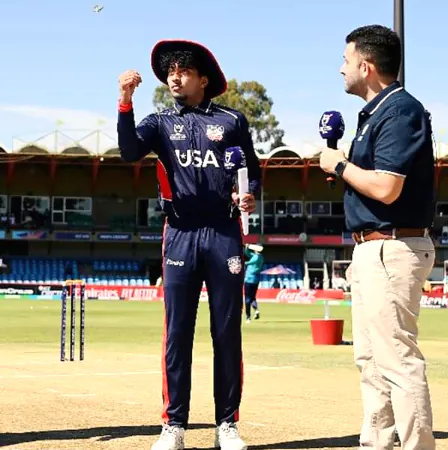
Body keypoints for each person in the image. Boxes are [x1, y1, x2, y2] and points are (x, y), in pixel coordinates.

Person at [117, 39, 261, 450]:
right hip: (179, 232)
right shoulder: (159, 122)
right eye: (170, 71)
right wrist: (125, 102)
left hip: (223, 232)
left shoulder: (232, 121)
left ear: (202, 79)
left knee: (226, 332)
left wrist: (248, 196)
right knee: (177, 332)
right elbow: (129, 151)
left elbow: (250, 174)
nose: (174, 77)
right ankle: (173, 425)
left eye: (183, 71)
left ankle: (227, 424)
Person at [319, 24, 437, 450]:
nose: (341, 69)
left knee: (396, 361)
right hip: (374, 247)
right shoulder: (375, 113)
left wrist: (337, 165)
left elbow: (388, 188)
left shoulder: (400, 110)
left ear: (365, 66)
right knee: (370, 361)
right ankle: (378, 444)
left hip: (393, 245)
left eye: (346, 61)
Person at [243, 244, 263, 323]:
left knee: (247, 298)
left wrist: (242, 262)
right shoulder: (260, 256)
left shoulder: (256, 257)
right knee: (252, 297)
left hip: (249, 279)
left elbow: (248, 262)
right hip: (256, 280)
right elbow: (247, 253)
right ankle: (256, 310)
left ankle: (248, 317)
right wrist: (247, 248)